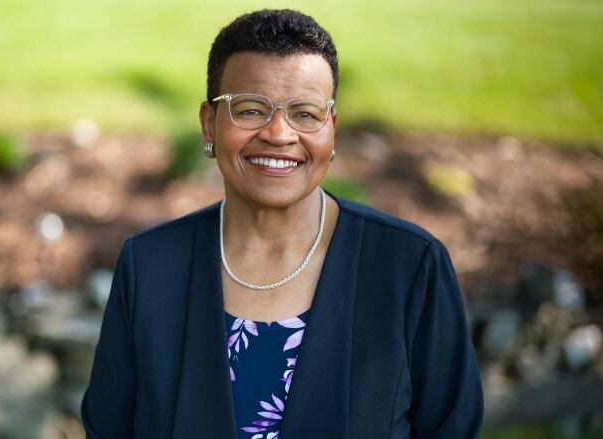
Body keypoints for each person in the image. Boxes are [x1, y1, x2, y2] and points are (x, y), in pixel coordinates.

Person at [81, 9, 483, 439]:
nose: (278, 133)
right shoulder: (150, 268)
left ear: (332, 129)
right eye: (250, 110)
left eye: (306, 114)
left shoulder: (410, 269)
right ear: (208, 125)